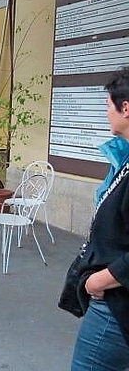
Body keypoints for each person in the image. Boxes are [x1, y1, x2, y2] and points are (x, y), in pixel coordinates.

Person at [70, 67, 129, 370]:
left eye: (108, 106)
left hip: (116, 306)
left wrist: (98, 281)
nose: (107, 113)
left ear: (126, 108)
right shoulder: (124, 158)